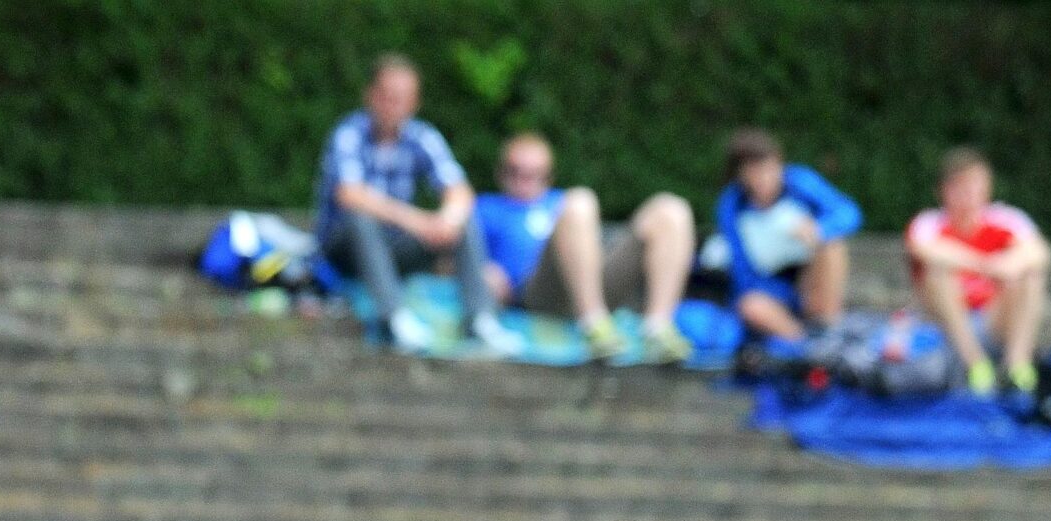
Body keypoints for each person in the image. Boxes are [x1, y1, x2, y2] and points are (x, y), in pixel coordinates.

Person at [313, 53, 517, 355]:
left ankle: (480, 318)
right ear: (370, 95)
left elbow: (459, 190)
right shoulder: (349, 133)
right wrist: (417, 221)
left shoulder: (422, 136)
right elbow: (350, 195)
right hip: (343, 250)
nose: (393, 105)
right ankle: (393, 317)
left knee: (463, 220)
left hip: (395, 249)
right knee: (361, 218)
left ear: (414, 102)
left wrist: (447, 220)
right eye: (387, 96)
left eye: (402, 98)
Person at [474, 132, 695, 362]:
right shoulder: (486, 208)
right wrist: (483, 273)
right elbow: (453, 262)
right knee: (580, 200)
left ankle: (657, 328)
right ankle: (594, 327)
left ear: (549, 176)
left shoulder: (559, 201)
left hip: (593, 285)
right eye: (515, 171)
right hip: (537, 294)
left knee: (671, 209)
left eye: (534, 174)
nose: (524, 180)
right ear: (500, 173)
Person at [906, 147, 1051, 397]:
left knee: (1030, 276)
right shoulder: (929, 222)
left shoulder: (1007, 219)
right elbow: (923, 250)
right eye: (960, 185)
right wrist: (987, 264)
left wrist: (1009, 265)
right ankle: (976, 365)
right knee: (938, 273)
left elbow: (1039, 253)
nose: (969, 193)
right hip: (946, 324)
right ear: (943, 190)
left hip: (993, 318)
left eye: (975, 184)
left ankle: (1016, 367)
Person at [713, 128, 859, 342]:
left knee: (832, 245)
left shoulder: (799, 182)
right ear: (741, 175)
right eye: (753, 172)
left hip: (811, 279)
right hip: (771, 290)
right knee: (751, 306)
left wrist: (819, 229)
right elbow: (742, 272)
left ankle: (828, 328)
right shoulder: (732, 206)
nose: (763, 179)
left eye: (768, 169)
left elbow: (848, 213)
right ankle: (806, 345)